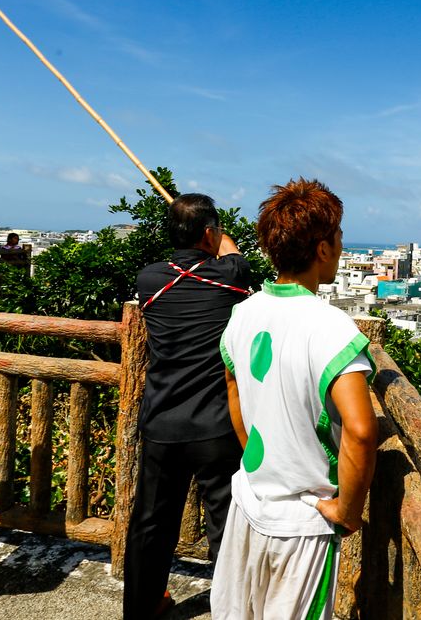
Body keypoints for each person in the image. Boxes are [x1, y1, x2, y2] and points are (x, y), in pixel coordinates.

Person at [211, 179, 377, 620]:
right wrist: (348, 510)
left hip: (248, 499)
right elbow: (361, 430)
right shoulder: (332, 327)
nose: (341, 247)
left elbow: (233, 388)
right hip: (303, 523)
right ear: (322, 249)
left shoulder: (244, 312)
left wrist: (260, 459)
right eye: (338, 237)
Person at [123, 193, 254, 619]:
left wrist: (208, 233)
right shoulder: (230, 278)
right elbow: (234, 256)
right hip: (215, 423)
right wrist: (220, 237)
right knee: (225, 526)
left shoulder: (150, 279)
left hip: (162, 420)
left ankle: (141, 610)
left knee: (150, 523)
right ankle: (232, 610)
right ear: (209, 234)